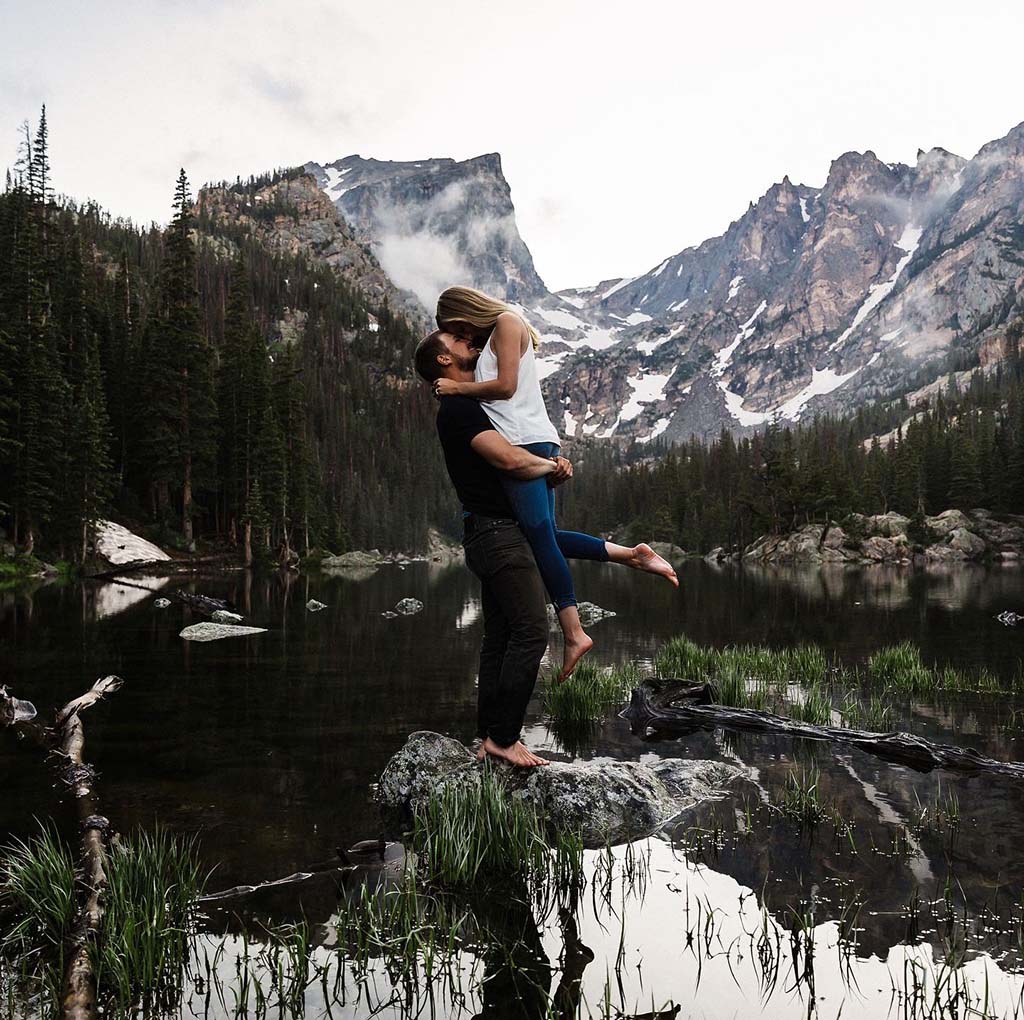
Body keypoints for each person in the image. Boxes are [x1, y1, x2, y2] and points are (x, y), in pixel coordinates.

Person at [432, 285, 679, 680]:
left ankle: (575, 631)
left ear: (464, 313)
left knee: (539, 535)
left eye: (457, 328)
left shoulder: (507, 323)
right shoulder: (494, 337)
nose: (464, 338)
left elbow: (506, 387)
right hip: (527, 437)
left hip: (523, 439)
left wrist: (459, 387)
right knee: (540, 533)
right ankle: (632, 556)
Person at [415, 327, 564, 766]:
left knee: (499, 637)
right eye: (459, 342)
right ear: (444, 360)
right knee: (532, 631)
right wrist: (551, 466)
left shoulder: (463, 402)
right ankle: (503, 737)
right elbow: (507, 459)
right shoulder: (459, 408)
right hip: (498, 536)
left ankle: (487, 735)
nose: (471, 344)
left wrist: (545, 466)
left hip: (486, 535)